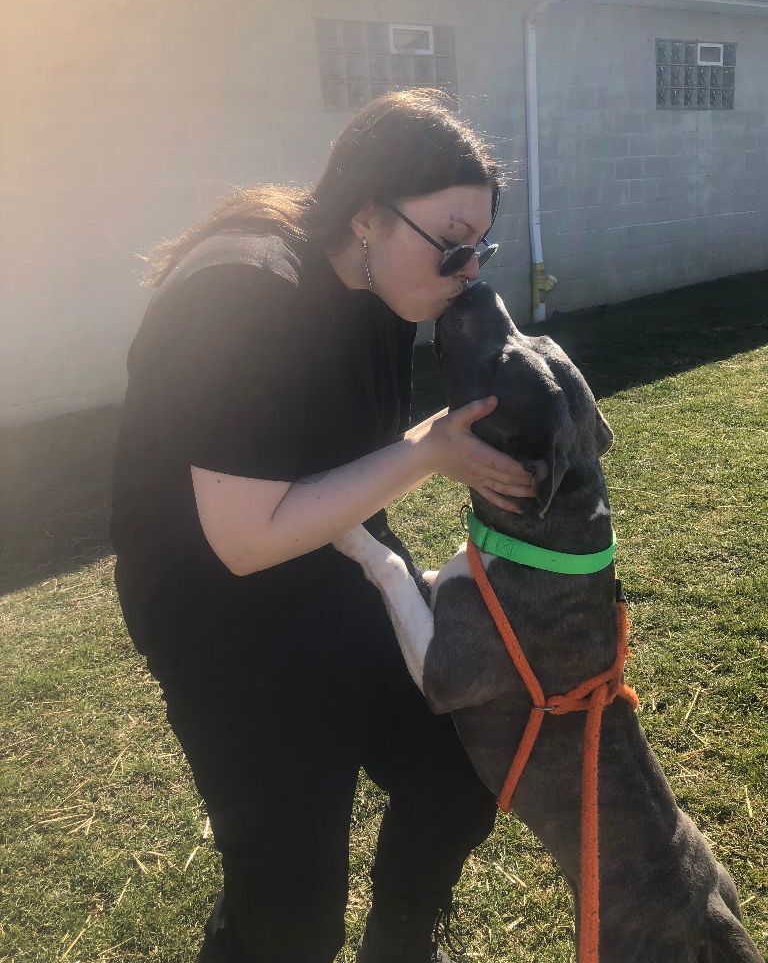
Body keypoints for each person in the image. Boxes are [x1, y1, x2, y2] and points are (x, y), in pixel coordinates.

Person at [110, 88, 535, 963]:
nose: (470, 273)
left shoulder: (380, 290)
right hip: (224, 621)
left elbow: (342, 471)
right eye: (453, 245)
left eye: (480, 247)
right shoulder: (244, 289)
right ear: (370, 216)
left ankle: (402, 937)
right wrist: (430, 450)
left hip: (338, 569)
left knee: (466, 762)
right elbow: (245, 539)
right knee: (291, 915)